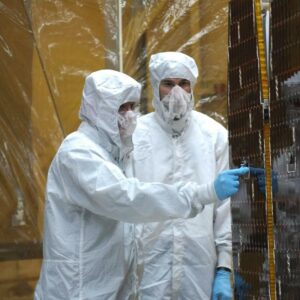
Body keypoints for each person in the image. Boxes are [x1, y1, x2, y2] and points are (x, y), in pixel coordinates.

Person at [34, 69, 247, 300]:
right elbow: (128, 198)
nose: (129, 115)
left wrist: (225, 265)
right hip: (76, 290)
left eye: (132, 107)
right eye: (120, 108)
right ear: (97, 109)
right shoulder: (78, 154)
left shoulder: (113, 153)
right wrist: (204, 192)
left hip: (109, 290)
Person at [129, 52, 244, 299]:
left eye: (183, 84)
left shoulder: (214, 136)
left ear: (192, 87)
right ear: (155, 86)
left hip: (199, 268)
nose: (177, 93)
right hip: (146, 269)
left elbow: (225, 210)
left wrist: (225, 267)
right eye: (168, 84)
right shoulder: (135, 136)